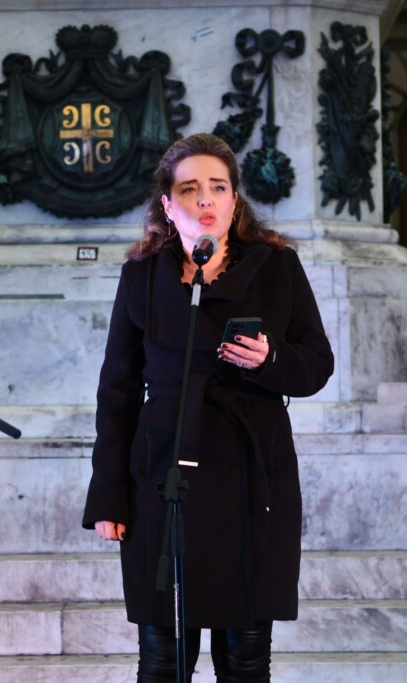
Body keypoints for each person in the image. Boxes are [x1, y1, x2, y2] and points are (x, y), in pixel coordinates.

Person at [81, 132, 334, 682]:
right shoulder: (142, 276)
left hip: (250, 475)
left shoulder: (276, 267)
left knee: (245, 657)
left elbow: (316, 365)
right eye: (190, 189)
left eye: (218, 187)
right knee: (163, 659)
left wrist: (269, 358)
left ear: (234, 201)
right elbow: (117, 392)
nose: (206, 200)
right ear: (168, 207)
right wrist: (108, 495)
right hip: (163, 475)